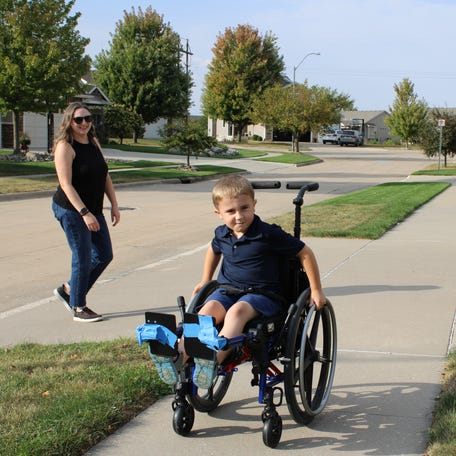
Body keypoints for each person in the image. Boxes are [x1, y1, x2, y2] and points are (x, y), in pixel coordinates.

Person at [148, 174, 326, 388]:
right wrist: (205, 279)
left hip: (262, 295)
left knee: (236, 312)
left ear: (254, 205)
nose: (239, 216)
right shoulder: (222, 234)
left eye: (244, 208)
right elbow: (213, 250)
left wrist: (316, 290)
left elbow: (305, 253)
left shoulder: (268, 234)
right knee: (206, 311)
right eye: (231, 211)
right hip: (227, 290)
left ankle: (212, 361)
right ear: (219, 214)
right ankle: (179, 356)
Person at [52, 102, 120, 322]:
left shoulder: (93, 142)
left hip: (93, 208)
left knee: (104, 254)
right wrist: (84, 213)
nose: (84, 123)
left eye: (88, 119)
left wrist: (114, 204)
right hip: (71, 210)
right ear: (69, 121)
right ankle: (78, 307)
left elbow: (104, 175)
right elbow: (66, 185)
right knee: (82, 257)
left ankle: (69, 289)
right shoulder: (65, 146)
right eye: (78, 119)